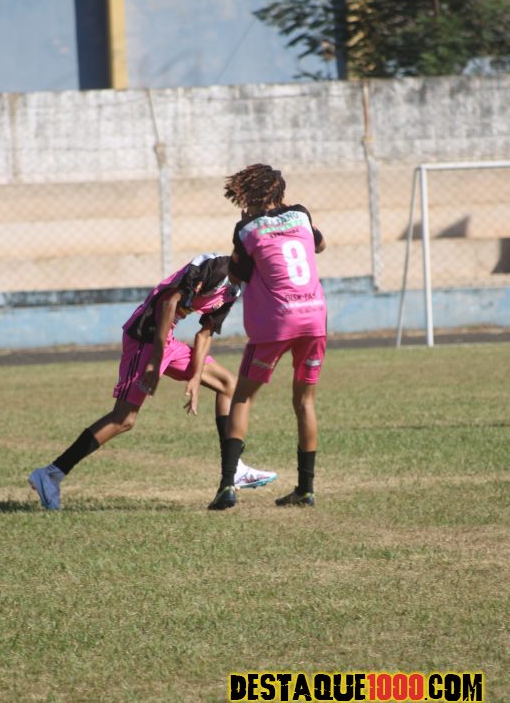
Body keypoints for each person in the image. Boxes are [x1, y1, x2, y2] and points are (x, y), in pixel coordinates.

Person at [28, 253, 277, 510]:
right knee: (124, 418)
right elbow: (169, 302)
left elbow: (205, 334)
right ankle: (51, 474)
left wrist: (195, 376)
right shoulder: (215, 267)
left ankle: (233, 468)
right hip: (145, 337)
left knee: (228, 385)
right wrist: (156, 359)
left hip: (167, 341)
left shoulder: (234, 290)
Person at [207, 165, 327, 511]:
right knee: (304, 402)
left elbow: (236, 275)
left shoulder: (247, 229)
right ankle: (306, 489)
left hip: (277, 321)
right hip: (315, 316)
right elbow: (320, 245)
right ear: (279, 191)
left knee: (242, 397)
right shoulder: (301, 214)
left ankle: (227, 486)